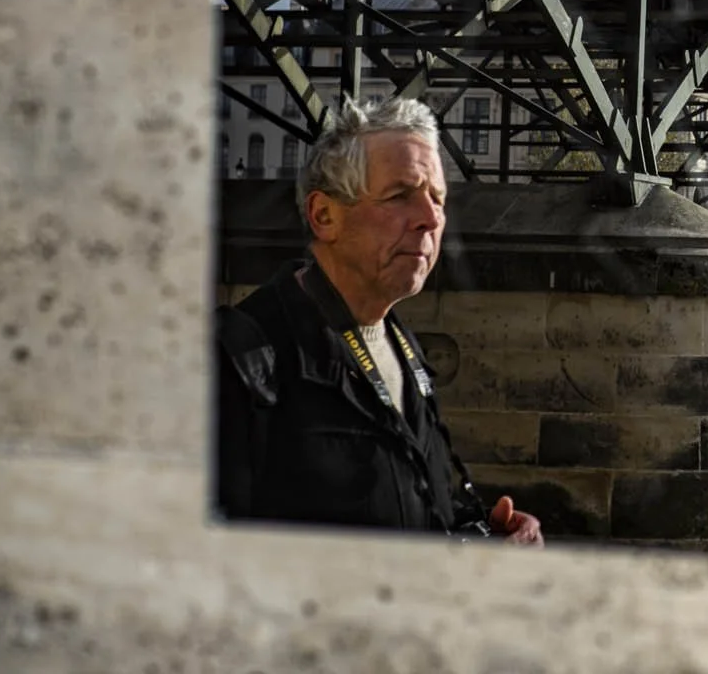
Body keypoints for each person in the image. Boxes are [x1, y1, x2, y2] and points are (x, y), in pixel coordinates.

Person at [215, 96, 542, 545]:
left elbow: (410, 508)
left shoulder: (401, 346)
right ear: (324, 216)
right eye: (399, 196)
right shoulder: (241, 360)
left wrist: (481, 533)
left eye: (438, 199)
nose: (430, 219)